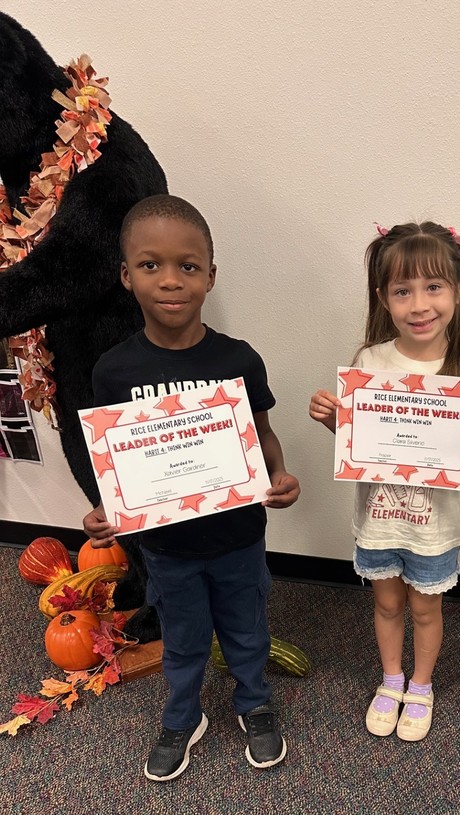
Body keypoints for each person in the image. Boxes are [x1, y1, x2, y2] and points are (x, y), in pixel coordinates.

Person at [83, 195, 300, 781]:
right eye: (150, 265)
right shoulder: (113, 370)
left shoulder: (238, 360)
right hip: (167, 549)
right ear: (126, 276)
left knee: (247, 629)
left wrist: (278, 476)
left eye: (188, 265)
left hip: (237, 536)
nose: (170, 280)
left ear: (210, 275)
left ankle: (253, 703)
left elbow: (264, 433)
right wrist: (103, 511)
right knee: (182, 639)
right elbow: (115, 460)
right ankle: (183, 715)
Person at [310, 221, 460, 741]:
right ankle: (391, 679)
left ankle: (420, 687)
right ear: (384, 297)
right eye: (403, 291)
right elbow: (359, 448)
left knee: (426, 607)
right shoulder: (369, 362)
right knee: (385, 603)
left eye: (434, 287)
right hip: (379, 519)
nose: (419, 304)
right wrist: (333, 419)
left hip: (433, 526)